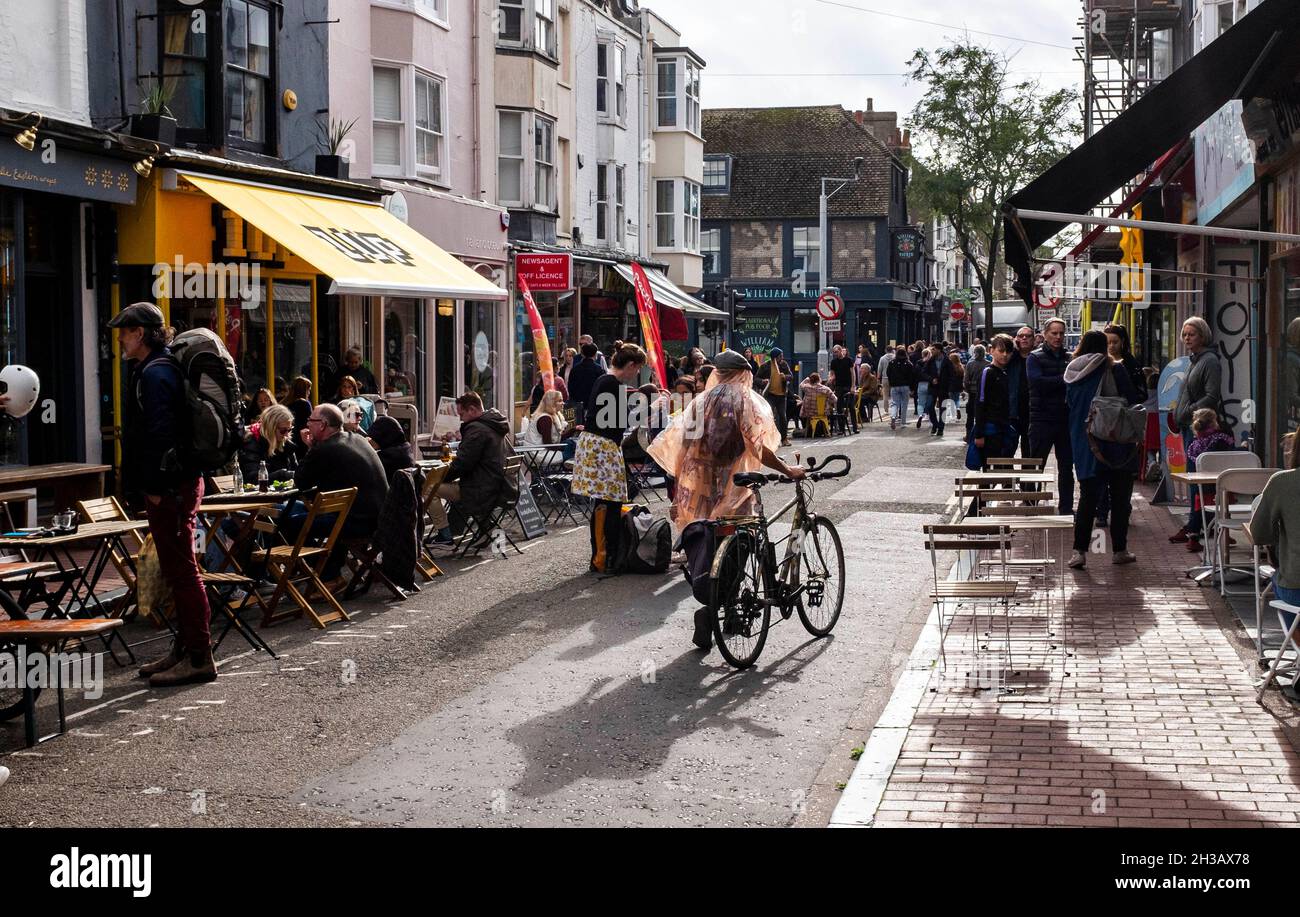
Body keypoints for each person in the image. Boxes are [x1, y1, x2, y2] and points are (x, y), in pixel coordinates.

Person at [647, 349, 805, 650]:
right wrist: (787, 469)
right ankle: (726, 609)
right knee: (741, 544)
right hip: (733, 485)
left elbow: (682, 446)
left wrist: (679, 488)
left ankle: (713, 603)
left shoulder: (700, 402)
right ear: (743, 373)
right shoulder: (744, 400)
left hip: (700, 487)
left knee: (708, 543)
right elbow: (758, 447)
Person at [109, 302, 215, 687]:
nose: (120, 337)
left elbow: (160, 435)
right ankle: (184, 649)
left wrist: (155, 488)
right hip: (180, 484)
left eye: (124, 331)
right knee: (178, 569)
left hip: (170, 488)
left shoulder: (155, 374)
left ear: (140, 334)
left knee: (183, 572)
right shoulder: (160, 368)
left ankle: (200, 657)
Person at [288, 403, 390, 587]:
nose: (307, 424)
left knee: (289, 523)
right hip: (380, 516)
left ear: (323, 425)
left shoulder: (324, 448)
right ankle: (328, 571)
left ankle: (325, 574)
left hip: (357, 523)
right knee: (299, 513)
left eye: (311, 420)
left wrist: (311, 447)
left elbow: (301, 481)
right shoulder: (357, 439)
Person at [1064, 330, 1142, 570]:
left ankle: (1079, 552)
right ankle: (1119, 550)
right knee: (1119, 498)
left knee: (1088, 499)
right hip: (1115, 442)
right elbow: (1132, 398)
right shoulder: (1114, 369)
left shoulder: (1072, 373)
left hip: (1086, 444)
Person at [572, 344, 648, 571]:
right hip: (603, 446)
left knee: (604, 502)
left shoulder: (605, 381)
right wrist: (651, 408)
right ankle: (608, 557)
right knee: (611, 502)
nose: (637, 375)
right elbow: (620, 421)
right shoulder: (612, 384)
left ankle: (602, 557)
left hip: (596, 444)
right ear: (631, 365)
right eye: (638, 370)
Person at [428, 391, 515, 546]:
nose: (460, 418)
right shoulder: (494, 424)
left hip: (479, 490)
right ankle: (487, 528)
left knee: (428, 487)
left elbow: (463, 464)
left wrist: (439, 477)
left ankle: (445, 535)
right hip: (498, 485)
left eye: (462, 414)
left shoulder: (477, 430)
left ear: (473, 410)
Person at [1094, 324, 1150, 528]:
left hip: (1124, 427)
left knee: (1124, 472)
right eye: (1107, 342)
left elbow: (1139, 394)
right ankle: (1102, 511)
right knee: (1101, 470)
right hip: (1103, 426)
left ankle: (1122, 510)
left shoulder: (1130, 365)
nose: (1111, 346)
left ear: (1123, 342)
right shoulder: (1098, 364)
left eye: (1115, 342)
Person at [1169, 408, 1236, 554]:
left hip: (1203, 490)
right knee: (1224, 507)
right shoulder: (1223, 439)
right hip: (1224, 489)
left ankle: (1193, 537)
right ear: (1214, 422)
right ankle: (1225, 533)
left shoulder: (1194, 446)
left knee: (1199, 507)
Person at [1247, 433, 1300, 618]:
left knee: (1280, 580)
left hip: (1296, 585)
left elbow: (1259, 533)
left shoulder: (1282, 482)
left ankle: (1296, 640)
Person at [1026, 318, 1074, 515]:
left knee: (1066, 468)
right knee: (1036, 465)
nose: (1058, 337)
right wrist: (1064, 380)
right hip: (1041, 419)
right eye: (1054, 333)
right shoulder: (1034, 358)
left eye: (1061, 333)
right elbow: (1037, 383)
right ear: (1045, 334)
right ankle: (1031, 506)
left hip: (1064, 419)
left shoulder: (1069, 358)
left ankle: (1066, 508)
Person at [1173, 316, 1224, 454]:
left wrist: (1190, 411)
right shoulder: (1194, 360)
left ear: (1202, 337)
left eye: (1191, 334)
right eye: (1184, 334)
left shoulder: (1210, 361)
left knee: (1195, 469)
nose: (1187, 338)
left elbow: (1212, 396)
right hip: (1188, 425)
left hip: (1200, 427)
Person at [972, 334, 1018, 460]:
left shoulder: (1005, 372)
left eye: (1008, 352)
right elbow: (980, 402)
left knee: (1005, 467)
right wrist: (979, 434)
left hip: (1004, 427)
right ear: (991, 351)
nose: (1004, 355)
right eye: (1001, 351)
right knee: (991, 469)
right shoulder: (988, 372)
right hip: (990, 430)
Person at [238, 403, 296, 483]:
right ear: (270, 428)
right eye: (283, 430)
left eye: (289, 430)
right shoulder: (252, 442)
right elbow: (251, 478)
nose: (286, 434)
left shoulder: (287, 444)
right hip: (259, 494)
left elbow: (297, 472)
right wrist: (282, 475)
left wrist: (310, 445)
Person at [756, 347, 793, 446]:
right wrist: (762, 382)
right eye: (780, 356)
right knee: (769, 417)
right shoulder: (765, 366)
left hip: (781, 396)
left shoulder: (784, 365)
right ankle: (768, 439)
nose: (782, 358)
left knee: (783, 417)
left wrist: (785, 377)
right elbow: (756, 378)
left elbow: (791, 376)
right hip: (770, 395)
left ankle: (784, 439)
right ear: (775, 357)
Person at [368, 414, 415, 484]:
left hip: (389, 494)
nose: (371, 439)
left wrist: (365, 446)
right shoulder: (405, 448)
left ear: (382, 436)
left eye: (374, 437)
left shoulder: (389, 456)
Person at [1010, 326, 1035, 457]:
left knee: (1029, 452)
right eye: (1020, 336)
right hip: (1012, 411)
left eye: (1028, 336)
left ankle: (1028, 476)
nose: (1024, 338)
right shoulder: (1010, 358)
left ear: (1034, 339)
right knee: (1008, 450)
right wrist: (1013, 348)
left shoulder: (1038, 357)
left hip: (1032, 411)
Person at [567, 343, 605, 423]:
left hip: (578, 404)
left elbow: (570, 388)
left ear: (582, 354)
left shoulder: (575, 369)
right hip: (594, 405)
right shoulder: (599, 369)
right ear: (595, 354)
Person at [829, 345, 858, 434]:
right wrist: (831, 378)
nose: (835, 354)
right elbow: (832, 374)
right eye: (834, 352)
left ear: (841, 351)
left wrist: (853, 386)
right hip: (839, 386)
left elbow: (852, 373)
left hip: (848, 385)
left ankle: (855, 427)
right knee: (839, 407)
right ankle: (841, 429)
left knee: (851, 407)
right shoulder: (833, 362)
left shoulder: (848, 360)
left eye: (836, 352)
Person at [963, 343, 988, 443]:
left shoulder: (970, 364)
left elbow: (966, 379)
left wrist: (967, 389)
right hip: (984, 393)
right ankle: (982, 434)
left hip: (973, 393)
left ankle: (969, 436)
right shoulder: (988, 364)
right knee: (982, 416)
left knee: (970, 416)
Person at [284, 376, 313, 461]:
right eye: (309, 390)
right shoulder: (304, 404)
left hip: (288, 439)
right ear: (305, 390)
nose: (309, 393)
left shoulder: (285, 403)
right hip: (301, 441)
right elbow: (309, 423)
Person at [799, 372, 836, 437]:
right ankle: (825, 431)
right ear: (819, 379)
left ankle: (809, 431)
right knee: (828, 412)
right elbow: (835, 399)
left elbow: (801, 385)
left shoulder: (807, 388)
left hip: (809, 413)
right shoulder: (826, 389)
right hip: (823, 413)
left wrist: (806, 380)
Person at [886, 345, 914, 429]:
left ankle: (893, 417)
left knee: (894, 403)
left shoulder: (892, 363)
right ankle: (903, 422)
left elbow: (888, 373)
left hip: (894, 386)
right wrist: (912, 388)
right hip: (905, 386)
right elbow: (911, 376)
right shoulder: (909, 363)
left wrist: (891, 383)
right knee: (904, 404)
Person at [877, 346, 895, 415]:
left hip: (885, 378)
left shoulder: (882, 358)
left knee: (885, 394)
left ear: (885, 350)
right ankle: (894, 409)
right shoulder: (895, 357)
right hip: (894, 378)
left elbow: (879, 369)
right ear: (892, 350)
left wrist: (878, 378)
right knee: (894, 394)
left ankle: (886, 410)